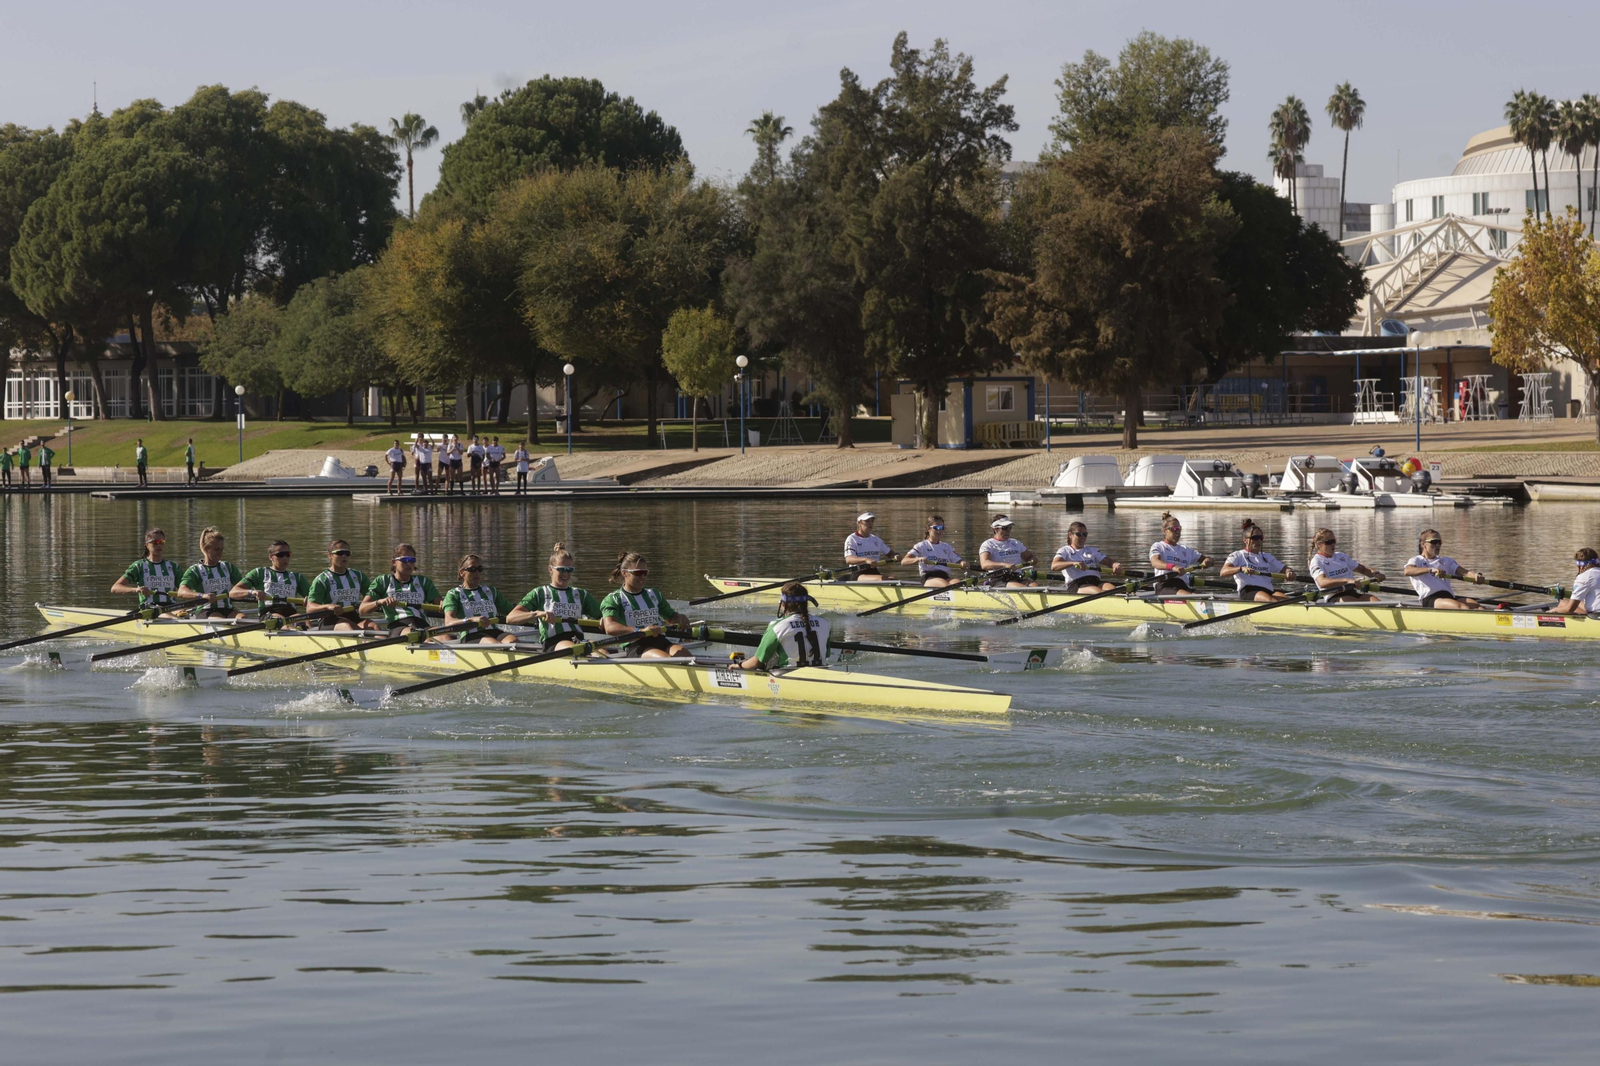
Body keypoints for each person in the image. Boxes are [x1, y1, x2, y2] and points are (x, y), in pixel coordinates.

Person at [507, 543, 606, 651]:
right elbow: (510, 618)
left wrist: (604, 619)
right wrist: (538, 613)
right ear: (550, 569)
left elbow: (604, 616)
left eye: (570, 570)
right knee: (576, 649)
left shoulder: (581, 594)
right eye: (562, 569)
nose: (566, 574)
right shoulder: (539, 593)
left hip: (579, 640)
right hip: (554, 643)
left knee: (601, 650)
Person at [600, 551, 691, 657]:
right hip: (635, 646)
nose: (642, 576)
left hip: (660, 640)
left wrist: (680, 618)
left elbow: (671, 618)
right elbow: (610, 627)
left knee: (687, 657)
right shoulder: (613, 598)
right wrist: (640, 630)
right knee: (667, 660)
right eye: (638, 573)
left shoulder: (654, 594)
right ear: (624, 573)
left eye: (645, 572)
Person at [737, 582, 831, 672]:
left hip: (788, 677)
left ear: (783, 604)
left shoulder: (777, 626)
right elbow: (826, 654)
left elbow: (756, 662)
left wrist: (739, 665)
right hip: (820, 674)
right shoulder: (824, 623)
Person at [360, 543, 442, 634]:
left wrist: (445, 605)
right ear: (394, 562)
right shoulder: (383, 581)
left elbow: (440, 604)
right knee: (415, 633)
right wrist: (380, 602)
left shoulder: (424, 582)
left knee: (445, 636)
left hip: (422, 624)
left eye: (412, 560)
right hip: (398, 626)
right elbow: (362, 610)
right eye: (405, 560)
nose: (409, 563)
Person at [441, 554, 517, 643]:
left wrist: (532, 612)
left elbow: (513, 612)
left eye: (479, 569)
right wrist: (472, 619)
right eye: (472, 569)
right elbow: (449, 622)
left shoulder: (491, 591)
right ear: (462, 572)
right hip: (470, 635)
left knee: (514, 641)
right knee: (495, 644)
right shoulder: (454, 594)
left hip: (493, 632)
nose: (477, 573)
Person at [1403, 528, 1485, 610]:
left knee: (1478, 606)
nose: (1438, 545)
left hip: (1449, 598)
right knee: (1463, 607)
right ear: (1423, 544)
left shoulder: (1446, 561)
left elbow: (1465, 573)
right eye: (1434, 542)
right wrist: (1430, 570)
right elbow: (1407, 571)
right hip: (1431, 599)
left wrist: (1476, 576)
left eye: (1440, 542)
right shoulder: (1417, 560)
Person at [1219, 520, 1299, 602]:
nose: (1258, 541)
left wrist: (1289, 572)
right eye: (1255, 538)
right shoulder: (1237, 555)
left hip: (1268, 591)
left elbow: (1285, 569)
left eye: (1261, 538)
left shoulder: (1267, 557)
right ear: (1245, 540)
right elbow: (1223, 572)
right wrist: (1241, 569)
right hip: (1249, 591)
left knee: (1289, 601)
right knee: (1272, 600)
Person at [231, 540, 311, 620]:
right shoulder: (259, 573)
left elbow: (315, 599)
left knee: (305, 621)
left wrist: (310, 599)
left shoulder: (297, 577)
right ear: (271, 557)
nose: (285, 558)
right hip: (269, 613)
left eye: (287, 554)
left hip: (291, 613)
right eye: (280, 555)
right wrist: (252, 592)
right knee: (281, 621)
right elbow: (233, 593)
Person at [307, 539, 375, 631]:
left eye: (347, 553)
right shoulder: (322, 580)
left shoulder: (359, 576)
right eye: (340, 553)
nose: (344, 556)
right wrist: (328, 606)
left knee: (374, 626)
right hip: (330, 619)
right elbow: (310, 608)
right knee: (349, 627)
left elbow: (373, 596)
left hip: (353, 617)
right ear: (329, 555)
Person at [176, 526, 244, 618]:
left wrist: (254, 593)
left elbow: (243, 587)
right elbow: (181, 592)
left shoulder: (228, 567)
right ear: (206, 549)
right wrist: (202, 595)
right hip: (205, 610)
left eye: (221, 549)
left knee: (243, 619)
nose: (220, 553)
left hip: (228, 609)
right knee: (220, 620)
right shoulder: (195, 570)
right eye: (216, 550)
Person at [111, 528, 181, 615]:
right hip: (149, 608)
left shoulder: (173, 566)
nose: (159, 545)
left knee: (184, 613)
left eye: (161, 542)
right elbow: (115, 587)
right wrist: (136, 589)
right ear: (147, 545)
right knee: (163, 611)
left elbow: (185, 589)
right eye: (155, 542)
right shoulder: (139, 566)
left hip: (172, 607)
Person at [1307, 528, 1385, 603]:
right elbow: (1322, 582)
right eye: (1329, 542)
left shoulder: (1341, 556)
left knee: (1375, 600)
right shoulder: (1316, 561)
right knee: (1356, 604)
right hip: (1335, 597)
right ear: (1319, 544)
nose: (1333, 544)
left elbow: (1363, 570)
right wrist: (1347, 581)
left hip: (1352, 592)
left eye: (1334, 541)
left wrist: (1376, 574)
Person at [1050, 521, 1126, 593]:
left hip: (1095, 581)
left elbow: (1109, 562)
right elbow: (1054, 566)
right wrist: (1073, 563)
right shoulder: (1065, 550)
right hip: (1077, 584)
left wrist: (1116, 565)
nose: (1082, 537)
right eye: (1079, 534)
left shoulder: (1092, 550)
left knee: (1113, 590)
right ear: (1070, 535)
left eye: (1085, 534)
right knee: (1100, 593)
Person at [1148, 513, 1210, 593]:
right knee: (1191, 596)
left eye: (1179, 528)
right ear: (1164, 531)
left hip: (1182, 585)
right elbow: (1155, 562)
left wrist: (1208, 561)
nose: (1177, 532)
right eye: (1174, 529)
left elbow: (1206, 559)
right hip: (1164, 585)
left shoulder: (1186, 550)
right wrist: (1173, 567)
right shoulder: (1158, 546)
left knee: (1203, 597)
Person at [901, 515, 965, 587]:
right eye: (936, 528)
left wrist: (962, 563)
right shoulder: (921, 546)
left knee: (961, 585)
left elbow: (959, 561)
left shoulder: (946, 547)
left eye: (941, 528)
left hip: (945, 576)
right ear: (928, 529)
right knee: (947, 586)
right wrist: (918, 559)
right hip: (928, 577)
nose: (939, 531)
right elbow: (904, 561)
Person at [978, 516, 1038, 587]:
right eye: (1005, 528)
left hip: (1017, 577)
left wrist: (1032, 559)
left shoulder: (1016, 543)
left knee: (1034, 585)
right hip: (999, 579)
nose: (1008, 531)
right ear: (995, 529)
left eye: (1010, 528)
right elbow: (984, 564)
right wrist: (1004, 565)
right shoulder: (988, 544)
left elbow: (1029, 556)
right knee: (1021, 587)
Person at [843, 513, 891, 581]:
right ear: (859, 523)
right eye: (867, 521)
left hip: (873, 571)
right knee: (882, 579)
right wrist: (866, 560)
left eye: (872, 521)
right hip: (858, 573)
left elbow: (890, 553)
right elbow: (849, 559)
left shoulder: (876, 539)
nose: (870, 523)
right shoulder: (852, 539)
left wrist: (896, 556)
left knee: (893, 579)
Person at [1554, 548, 1600, 615]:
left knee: (1562, 605)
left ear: (1580, 566)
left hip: (1596, 616)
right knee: (1563, 602)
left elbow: (1569, 609)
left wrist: (1553, 610)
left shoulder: (1585, 576)